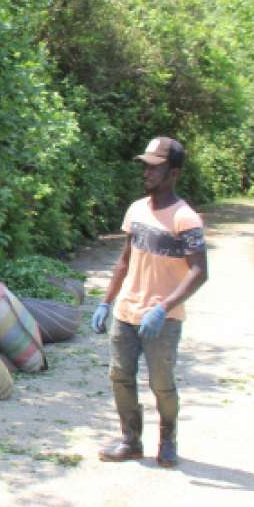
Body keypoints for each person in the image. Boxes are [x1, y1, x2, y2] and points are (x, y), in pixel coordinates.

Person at [91, 136, 208, 468]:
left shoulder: (186, 219)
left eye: (155, 167)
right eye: (145, 165)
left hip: (162, 320)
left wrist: (163, 307)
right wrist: (106, 301)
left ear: (173, 173)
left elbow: (199, 271)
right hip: (126, 312)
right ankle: (130, 440)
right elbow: (125, 261)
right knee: (120, 377)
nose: (146, 172)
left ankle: (167, 439)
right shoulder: (137, 209)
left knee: (161, 384)